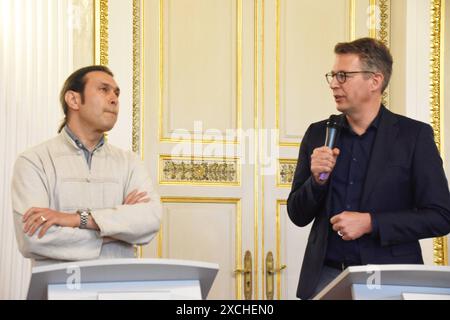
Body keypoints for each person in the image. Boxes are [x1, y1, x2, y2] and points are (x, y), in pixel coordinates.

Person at [287, 37, 450, 300]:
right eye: (332, 75)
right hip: (326, 277)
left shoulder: (414, 136)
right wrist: (316, 182)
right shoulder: (318, 134)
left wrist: (372, 223)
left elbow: (441, 215)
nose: (333, 84)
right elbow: (297, 214)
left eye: (343, 75)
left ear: (375, 81)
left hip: (390, 279)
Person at [11, 65, 162, 266]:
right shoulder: (34, 161)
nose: (114, 99)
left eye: (117, 93)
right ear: (73, 100)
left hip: (119, 289)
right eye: (103, 89)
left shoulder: (129, 162)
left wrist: (78, 220)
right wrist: (116, 231)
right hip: (59, 291)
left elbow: (149, 220)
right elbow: (33, 238)